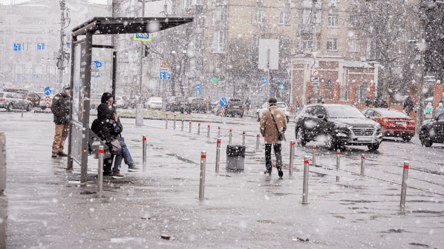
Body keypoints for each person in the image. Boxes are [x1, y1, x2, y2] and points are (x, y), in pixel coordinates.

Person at [95, 93, 139, 175]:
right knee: (122, 147)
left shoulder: (97, 121)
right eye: (109, 102)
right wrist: (116, 120)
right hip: (107, 145)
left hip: (100, 144)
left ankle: (111, 170)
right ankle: (126, 166)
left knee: (120, 147)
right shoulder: (109, 121)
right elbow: (118, 130)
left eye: (111, 101)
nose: (110, 104)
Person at [260, 98, 287, 178]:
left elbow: (262, 126)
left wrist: (263, 133)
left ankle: (269, 169)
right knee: (278, 152)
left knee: (267, 153)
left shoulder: (265, 113)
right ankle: (279, 167)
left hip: (268, 136)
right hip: (277, 136)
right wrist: (282, 131)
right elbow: (285, 125)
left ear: (269, 103)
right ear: (276, 103)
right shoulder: (281, 112)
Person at [51, 85, 71, 158]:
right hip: (59, 120)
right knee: (58, 135)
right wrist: (59, 116)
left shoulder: (69, 98)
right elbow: (53, 107)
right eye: (67, 89)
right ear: (64, 90)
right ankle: (55, 150)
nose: (69, 91)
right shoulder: (58, 96)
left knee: (64, 135)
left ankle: (60, 150)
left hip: (67, 121)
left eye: (70, 89)